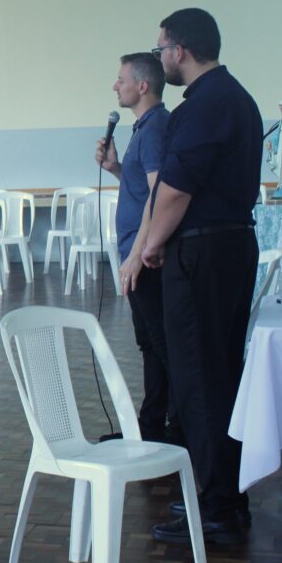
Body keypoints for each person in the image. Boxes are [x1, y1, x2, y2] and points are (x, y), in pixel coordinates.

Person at [141, 8, 262, 545]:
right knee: (220, 375)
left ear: (180, 50)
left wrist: (149, 246)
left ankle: (216, 511)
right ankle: (229, 500)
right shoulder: (235, 97)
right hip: (231, 247)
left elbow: (174, 191)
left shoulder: (203, 105)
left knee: (199, 382)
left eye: (161, 46)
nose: (161, 54)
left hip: (202, 255)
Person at [94, 53, 179, 444]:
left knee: (162, 346)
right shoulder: (143, 127)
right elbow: (143, 187)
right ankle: (150, 427)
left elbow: (159, 193)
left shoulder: (157, 127)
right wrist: (115, 168)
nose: (116, 86)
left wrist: (136, 253)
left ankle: (176, 432)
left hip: (145, 257)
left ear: (142, 86)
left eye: (121, 79)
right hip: (138, 253)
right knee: (149, 343)